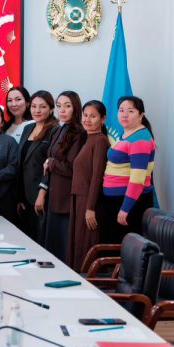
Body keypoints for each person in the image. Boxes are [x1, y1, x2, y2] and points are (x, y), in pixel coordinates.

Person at [100, 96, 156, 242]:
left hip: (129, 203)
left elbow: (138, 179)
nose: (124, 114)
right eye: (121, 110)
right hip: (116, 200)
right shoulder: (127, 133)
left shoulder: (140, 139)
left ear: (141, 115)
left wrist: (125, 208)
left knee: (122, 249)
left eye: (130, 111)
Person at [39, 91, 84, 262]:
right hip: (54, 195)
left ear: (75, 108)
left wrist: (50, 163)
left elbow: (72, 168)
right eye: (59, 106)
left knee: (62, 248)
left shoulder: (79, 133)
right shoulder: (59, 129)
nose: (62, 110)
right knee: (51, 247)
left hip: (66, 197)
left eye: (67, 106)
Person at [67, 100, 110, 272]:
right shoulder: (87, 139)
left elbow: (97, 176)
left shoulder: (100, 141)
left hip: (88, 201)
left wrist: (90, 207)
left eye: (93, 116)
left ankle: (88, 281)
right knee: (77, 243)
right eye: (85, 115)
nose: (87, 119)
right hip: (78, 198)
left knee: (86, 244)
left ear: (103, 119)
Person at [15, 90, 57, 244]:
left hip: (41, 195)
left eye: (42, 107)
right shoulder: (28, 128)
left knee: (39, 240)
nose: (37, 110)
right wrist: (19, 195)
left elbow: (51, 166)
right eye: (34, 106)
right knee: (26, 239)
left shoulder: (55, 130)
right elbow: (22, 163)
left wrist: (42, 194)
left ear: (51, 109)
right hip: (25, 194)